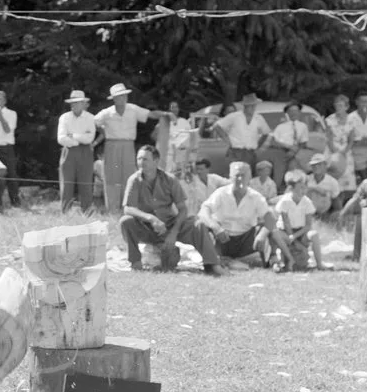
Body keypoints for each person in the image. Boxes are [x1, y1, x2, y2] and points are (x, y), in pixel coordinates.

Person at [120, 145, 222, 275]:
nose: (141, 162)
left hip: (169, 224)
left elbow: (182, 209)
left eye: (145, 159)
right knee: (126, 221)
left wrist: (174, 233)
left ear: (156, 161)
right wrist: (150, 218)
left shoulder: (169, 179)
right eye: (139, 159)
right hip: (146, 227)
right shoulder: (134, 180)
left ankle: (212, 264)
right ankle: (135, 262)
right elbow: (128, 208)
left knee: (198, 224)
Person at [198, 161, 292, 266]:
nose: (240, 179)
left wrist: (262, 234)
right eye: (236, 175)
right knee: (201, 225)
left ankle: (272, 259)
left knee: (267, 229)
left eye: (243, 176)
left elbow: (270, 218)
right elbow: (204, 210)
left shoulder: (256, 197)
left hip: (246, 240)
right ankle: (213, 260)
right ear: (230, 177)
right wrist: (215, 226)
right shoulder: (221, 193)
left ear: (249, 177)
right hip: (222, 237)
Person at [92, 83, 154, 214]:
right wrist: (102, 131)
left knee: (129, 176)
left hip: (128, 145)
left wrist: (166, 114)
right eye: (119, 96)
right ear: (114, 99)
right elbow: (93, 121)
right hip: (111, 144)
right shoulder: (107, 112)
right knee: (111, 178)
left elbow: (150, 114)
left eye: (124, 95)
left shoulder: (133, 109)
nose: (122, 98)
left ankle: (128, 208)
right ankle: (113, 210)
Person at [273, 170, 327, 271]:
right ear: (291, 189)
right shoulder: (285, 201)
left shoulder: (307, 202)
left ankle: (319, 263)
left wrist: (295, 236)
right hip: (285, 231)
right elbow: (286, 222)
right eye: (300, 188)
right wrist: (290, 236)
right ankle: (284, 260)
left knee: (314, 235)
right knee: (276, 234)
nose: (303, 190)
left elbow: (308, 225)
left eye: (304, 187)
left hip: (301, 232)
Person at [57, 89, 97, 213]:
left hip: (85, 152)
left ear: (83, 103)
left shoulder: (90, 118)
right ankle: (65, 212)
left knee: (85, 182)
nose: (74, 105)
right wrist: (79, 139)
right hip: (68, 151)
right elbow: (61, 138)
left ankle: (87, 211)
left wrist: (73, 135)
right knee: (67, 183)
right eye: (72, 103)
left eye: (78, 102)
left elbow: (90, 138)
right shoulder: (64, 117)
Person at [212, 92, 270, 171]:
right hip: (235, 151)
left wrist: (258, 145)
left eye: (254, 105)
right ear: (245, 106)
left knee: (248, 176)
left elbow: (266, 133)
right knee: (234, 175)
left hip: (250, 152)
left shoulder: (258, 118)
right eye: (250, 106)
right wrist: (227, 140)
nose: (253, 108)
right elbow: (217, 126)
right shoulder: (235, 116)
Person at [263, 101, 309, 187]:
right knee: (277, 171)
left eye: (296, 111)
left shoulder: (303, 126)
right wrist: (288, 146)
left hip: (295, 153)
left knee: (295, 171)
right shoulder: (280, 127)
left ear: (299, 112)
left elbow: (303, 143)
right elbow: (273, 141)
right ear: (287, 113)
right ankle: (275, 188)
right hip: (280, 152)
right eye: (291, 111)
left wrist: (293, 151)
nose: (293, 113)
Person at [324, 94, 357, 194]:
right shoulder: (329, 119)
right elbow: (328, 138)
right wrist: (335, 152)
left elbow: (351, 139)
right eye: (337, 105)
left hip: (345, 150)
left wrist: (344, 152)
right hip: (332, 149)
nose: (338, 108)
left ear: (346, 107)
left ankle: (346, 197)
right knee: (333, 171)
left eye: (341, 105)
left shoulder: (352, 120)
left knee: (347, 175)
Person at [160, 101, 195, 175]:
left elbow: (190, 138)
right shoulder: (164, 122)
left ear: (178, 109)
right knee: (168, 175)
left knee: (182, 176)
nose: (174, 109)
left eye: (176, 107)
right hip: (168, 155)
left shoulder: (184, 122)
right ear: (169, 109)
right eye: (172, 107)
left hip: (182, 154)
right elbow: (154, 136)